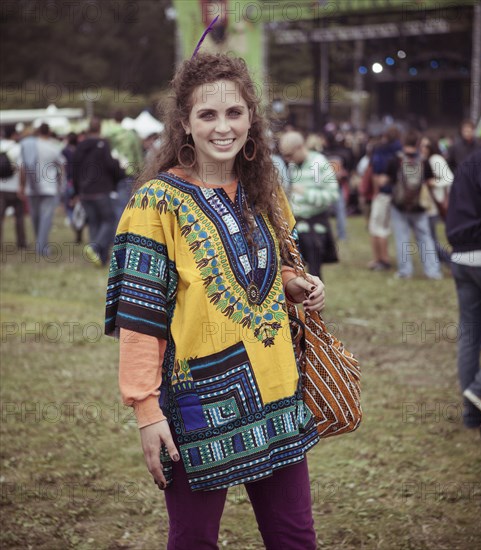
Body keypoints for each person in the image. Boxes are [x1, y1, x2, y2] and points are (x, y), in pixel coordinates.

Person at [104, 53, 326, 549]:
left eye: (234, 113)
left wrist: (293, 282)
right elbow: (140, 317)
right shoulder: (156, 203)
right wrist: (146, 411)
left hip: (277, 392)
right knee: (194, 540)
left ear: (251, 117)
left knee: (295, 537)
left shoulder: (263, 189)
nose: (223, 127)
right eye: (208, 114)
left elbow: (272, 266)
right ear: (185, 122)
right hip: (196, 405)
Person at [445, 148, 481, 439]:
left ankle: (474, 415)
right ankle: (478, 390)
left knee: (469, 335)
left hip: (461, 256)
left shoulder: (467, 162)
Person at [279, 130, 339, 277]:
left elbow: (333, 195)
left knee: (314, 273)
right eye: (285, 156)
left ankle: (315, 298)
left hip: (315, 226)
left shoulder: (319, 163)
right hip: (296, 225)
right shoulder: (293, 166)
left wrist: (305, 193)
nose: (287, 160)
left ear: (300, 147)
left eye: (290, 155)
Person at [72, 117, 122, 267]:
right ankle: (94, 248)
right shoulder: (104, 144)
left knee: (94, 223)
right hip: (101, 189)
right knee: (109, 221)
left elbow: (74, 170)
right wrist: (120, 171)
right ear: (100, 128)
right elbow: (110, 165)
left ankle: (100, 258)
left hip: (85, 191)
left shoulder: (80, 146)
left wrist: (76, 191)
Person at [20, 123, 65, 256]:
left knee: (35, 217)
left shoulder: (28, 145)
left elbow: (22, 167)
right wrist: (61, 185)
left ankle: (39, 244)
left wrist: (21, 186)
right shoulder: (53, 146)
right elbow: (62, 166)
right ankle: (42, 247)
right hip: (49, 188)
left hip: (32, 187)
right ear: (49, 132)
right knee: (45, 218)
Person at [367, 127, 402, 271]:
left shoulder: (380, 150)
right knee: (384, 226)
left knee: (377, 227)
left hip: (383, 193)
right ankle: (382, 258)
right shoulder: (400, 150)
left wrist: (375, 191)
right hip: (397, 194)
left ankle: (382, 259)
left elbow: (376, 173)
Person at [102, 110, 144, 220]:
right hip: (128, 172)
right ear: (123, 119)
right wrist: (140, 172)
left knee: (113, 206)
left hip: (109, 174)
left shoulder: (106, 136)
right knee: (126, 205)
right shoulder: (131, 135)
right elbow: (138, 156)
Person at [419, 136, 453, 265]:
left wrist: (435, 182)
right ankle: (441, 260)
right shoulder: (424, 160)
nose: (423, 148)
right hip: (430, 203)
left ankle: (447, 260)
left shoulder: (435, 159)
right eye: (421, 145)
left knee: (429, 236)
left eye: (426, 146)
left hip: (437, 202)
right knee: (430, 235)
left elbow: (449, 178)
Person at [0, 125, 27, 250]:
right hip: (15, 188)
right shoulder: (17, 148)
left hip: (1, 189)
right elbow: (22, 169)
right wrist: (22, 187)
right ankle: (21, 243)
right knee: (19, 217)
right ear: (14, 135)